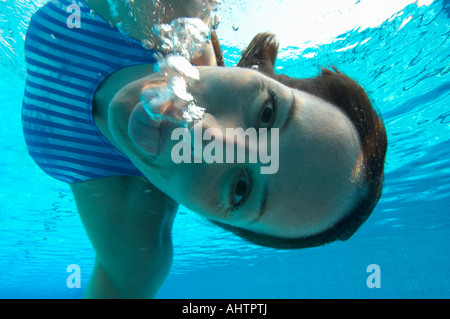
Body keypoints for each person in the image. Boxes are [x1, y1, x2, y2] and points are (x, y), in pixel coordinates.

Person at [22, 0, 388, 298]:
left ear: (212, 217)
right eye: (266, 113)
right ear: (263, 75)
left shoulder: (135, 253)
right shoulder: (172, 14)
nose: (208, 138)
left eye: (241, 190)